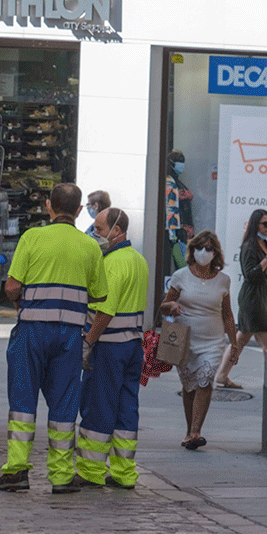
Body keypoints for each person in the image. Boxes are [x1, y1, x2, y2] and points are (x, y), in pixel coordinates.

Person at [0, 182, 110, 495]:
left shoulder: (33, 237)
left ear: (48, 206)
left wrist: (22, 300)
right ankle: (60, 476)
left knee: (22, 403)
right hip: (70, 336)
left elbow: (12, 287)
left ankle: (16, 471)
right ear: (80, 210)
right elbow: (100, 295)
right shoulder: (90, 247)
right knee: (63, 406)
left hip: (31, 332)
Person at [76, 207, 148, 490]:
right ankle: (123, 472)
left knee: (98, 406)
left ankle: (91, 471)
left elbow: (105, 311)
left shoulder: (112, 263)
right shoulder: (138, 260)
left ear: (117, 231)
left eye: (100, 229)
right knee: (127, 408)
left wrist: (88, 342)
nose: (96, 234)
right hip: (133, 346)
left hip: (109, 347)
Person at [159, 230, 238, 450]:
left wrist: (234, 344)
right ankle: (189, 431)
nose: (204, 252)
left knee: (205, 379)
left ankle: (196, 432)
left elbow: (227, 314)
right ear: (192, 250)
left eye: (209, 248)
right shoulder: (180, 276)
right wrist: (172, 306)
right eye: (200, 247)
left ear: (216, 253)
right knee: (189, 386)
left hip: (213, 342)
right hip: (184, 341)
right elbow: (164, 306)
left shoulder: (224, 280)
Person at [216, 209, 267, 389]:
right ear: (256, 224)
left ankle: (222, 375)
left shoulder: (265, 243)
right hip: (253, 299)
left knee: (240, 339)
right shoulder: (250, 246)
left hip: (261, 297)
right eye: (265, 224)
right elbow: (250, 275)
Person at [164, 150, 194, 274]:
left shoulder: (177, 181)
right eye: (179, 162)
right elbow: (171, 208)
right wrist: (173, 234)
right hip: (177, 232)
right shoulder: (169, 182)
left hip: (182, 231)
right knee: (182, 266)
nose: (182, 165)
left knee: (183, 265)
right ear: (171, 164)